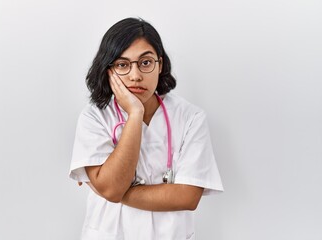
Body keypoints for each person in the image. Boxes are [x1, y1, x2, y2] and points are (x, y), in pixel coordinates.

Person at [69, 17, 223, 240]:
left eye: (145, 62)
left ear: (159, 65)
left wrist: (114, 192)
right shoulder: (94, 118)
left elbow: (188, 197)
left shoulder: (190, 117)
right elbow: (112, 189)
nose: (135, 75)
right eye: (123, 65)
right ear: (108, 69)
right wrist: (135, 114)